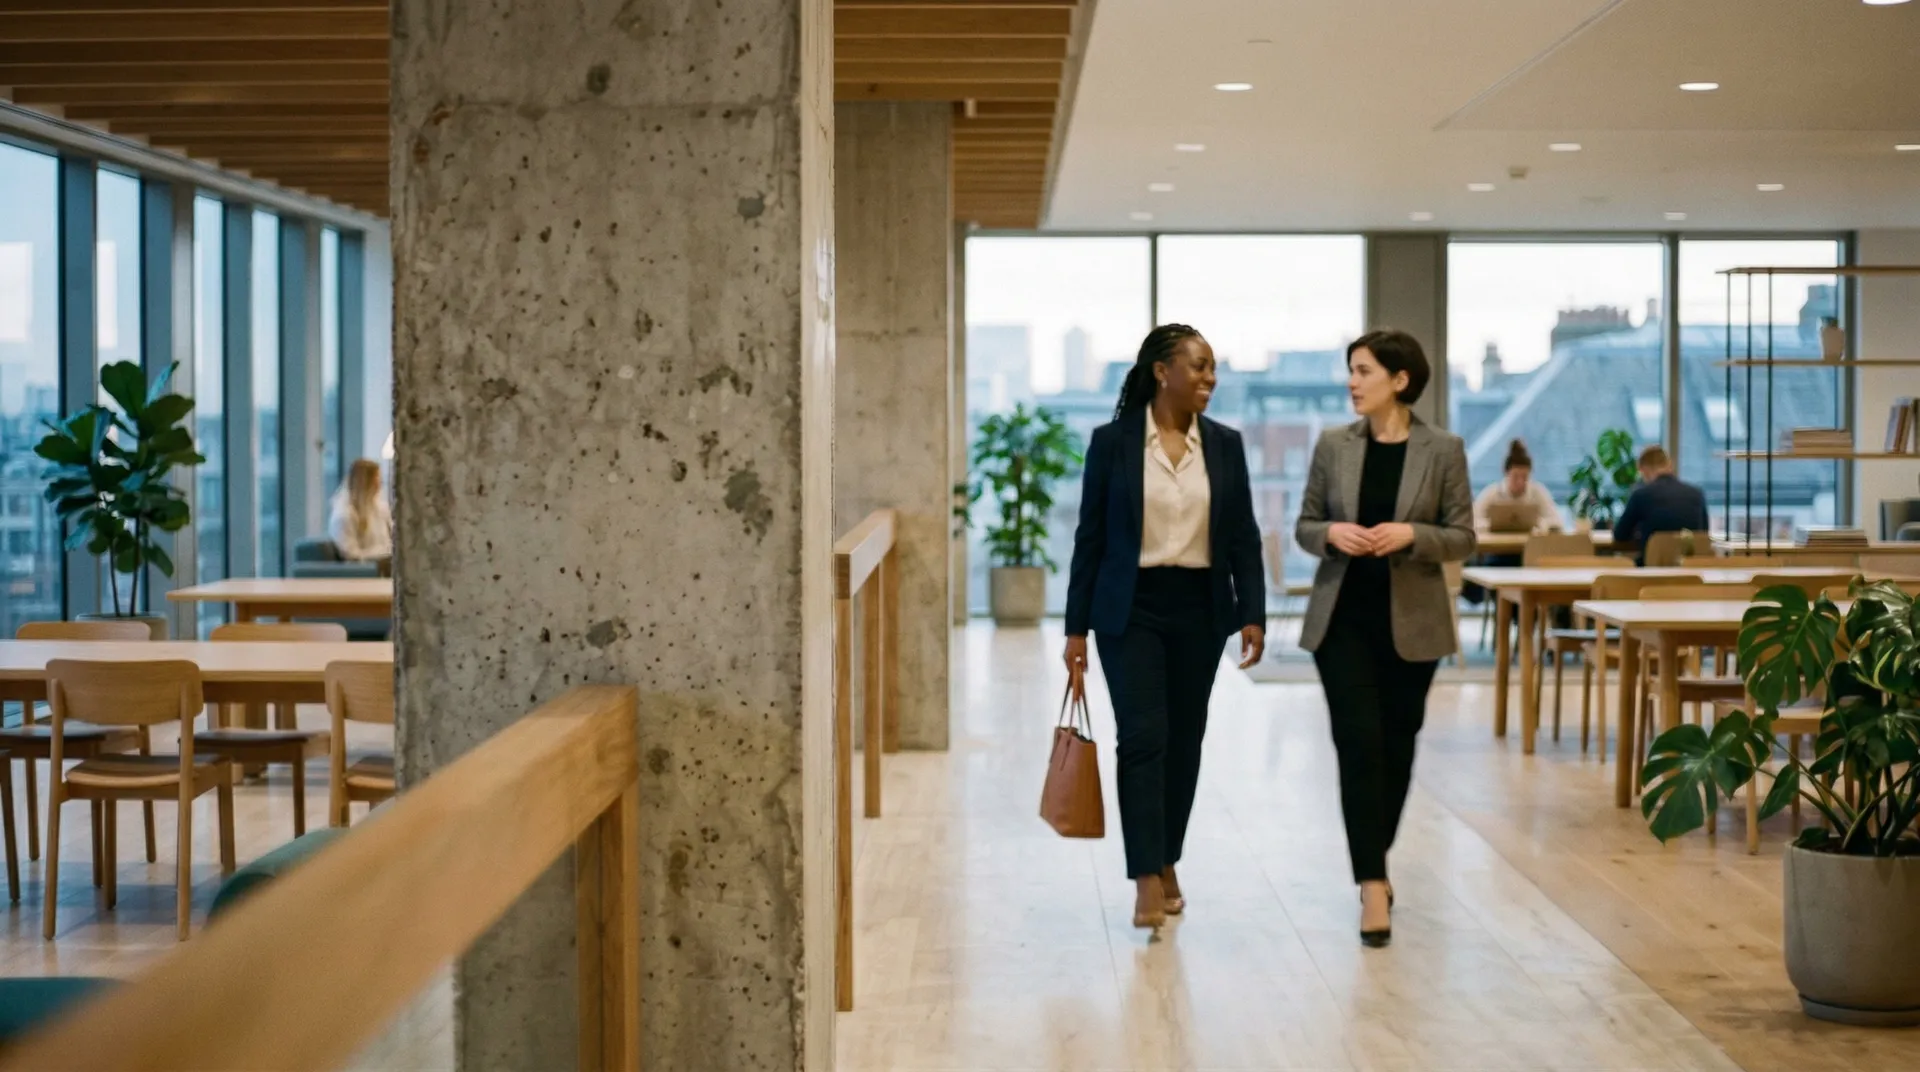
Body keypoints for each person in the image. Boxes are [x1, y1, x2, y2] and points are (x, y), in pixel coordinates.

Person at [1063, 323, 1266, 930]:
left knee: (1184, 743)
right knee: (1143, 738)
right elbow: (1090, 539)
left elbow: (1243, 538)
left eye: (1212, 368)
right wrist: (1076, 632)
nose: (1210, 377)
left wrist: (1251, 612)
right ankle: (1147, 877)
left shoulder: (1225, 445)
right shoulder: (1113, 443)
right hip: (1132, 610)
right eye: (1199, 366)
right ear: (1162, 371)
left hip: (1201, 610)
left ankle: (1168, 855)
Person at [1295, 329, 1474, 948]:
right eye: (1350, 370)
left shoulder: (1443, 449)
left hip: (1413, 626)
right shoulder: (1331, 445)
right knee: (1357, 744)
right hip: (1341, 621)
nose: (1352, 381)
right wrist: (1331, 535)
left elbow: (1463, 536)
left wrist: (1412, 536)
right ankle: (1372, 882)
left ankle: (1375, 855)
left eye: (1364, 371)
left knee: (1397, 749)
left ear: (1400, 380)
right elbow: (1304, 525)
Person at [1463, 439, 1560, 604]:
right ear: (1506, 474)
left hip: (1529, 557)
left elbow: (1556, 522)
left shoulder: (1538, 493)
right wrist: (1490, 526)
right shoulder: (1492, 493)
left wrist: (1539, 525)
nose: (1521, 482)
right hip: (1499, 557)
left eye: (1525, 477)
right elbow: (1471, 521)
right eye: (1516, 476)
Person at [1612, 445, 1708, 565]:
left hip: (1651, 572)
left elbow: (1620, 535)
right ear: (1669, 465)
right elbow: (1703, 534)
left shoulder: (1641, 495)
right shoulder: (1697, 494)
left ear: (1644, 470)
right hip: (1689, 571)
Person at [327, 458, 392, 562]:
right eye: (376, 480)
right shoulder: (343, 516)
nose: (379, 486)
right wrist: (385, 553)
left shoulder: (379, 509)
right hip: (365, 572)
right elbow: (352, 555)